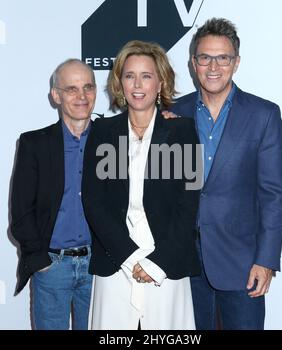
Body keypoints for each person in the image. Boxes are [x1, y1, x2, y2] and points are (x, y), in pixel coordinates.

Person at [168, 18, 282, 330]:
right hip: (184, 262)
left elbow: (274, 195)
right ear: (193, 63)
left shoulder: (263, 114)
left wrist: (266, 259)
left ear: (236, 62)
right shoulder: (172, 113)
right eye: (205, 57)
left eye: (223, 57)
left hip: (242, 261)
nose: (213, 66)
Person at [82, 40, 201, 330]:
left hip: (166, 263)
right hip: (116, 261)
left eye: (146, 76)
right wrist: (130, 257)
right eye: (129, 75)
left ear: (160, 83)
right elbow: (95, 202)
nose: (137, 84)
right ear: (119, 82)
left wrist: (155, 263)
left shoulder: (182, 132)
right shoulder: (102, 132)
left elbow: (189, 205)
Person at [11, 59, 96, 330]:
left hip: (99, 268)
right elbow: (22, 211)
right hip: (52, 266)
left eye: (88, 87)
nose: (82, 96)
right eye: (71, 89)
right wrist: (40, 261)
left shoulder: (112, 140)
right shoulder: (34, 143)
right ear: (56, 96)